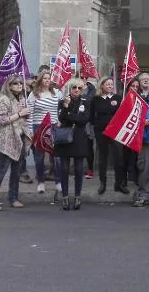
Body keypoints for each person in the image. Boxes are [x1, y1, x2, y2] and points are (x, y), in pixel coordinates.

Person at [0, 76, 32, 211]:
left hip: (20, 137)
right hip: (7, 138)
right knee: (1, 170)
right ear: (9, 86)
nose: (19, 85)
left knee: (16, 171)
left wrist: (25, 113)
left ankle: (14, 198)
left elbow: (22, 117)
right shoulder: (4, 99)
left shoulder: (22, 98)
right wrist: (19, 113)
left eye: (20, 83)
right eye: (15, 83)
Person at [56, 78, 91, 211]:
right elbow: (61, 118)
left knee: (78, 168)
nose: (77, 90)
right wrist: (66, 108)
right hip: (65, 137)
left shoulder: (86, 102)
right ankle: (65, 197)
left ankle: (77, 197)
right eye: (74, 87)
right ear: (70, 89)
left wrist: (69, 116)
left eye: (79, 88)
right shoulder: (62, 101)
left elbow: (84, 120)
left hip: (79, 137)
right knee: (64, 168)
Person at [26, 71, 63, 195]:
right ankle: (41, 181)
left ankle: (58, 182)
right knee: (39, 157)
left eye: (49, 78)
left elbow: (63, 107)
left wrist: (59, 119)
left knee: (57, 156)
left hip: (53, 127)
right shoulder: (34, 94)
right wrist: (30, 131)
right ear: (40, 80)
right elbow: (29, 113)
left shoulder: (57, 93)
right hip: (39, 127)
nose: (47, 80)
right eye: (45, 78)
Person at [90, 77, 128, 195]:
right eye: (108, 84)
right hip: (101, 132)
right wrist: (97, 125)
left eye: (112, 84)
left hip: (116, 132)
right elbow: (91, 116)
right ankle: (103, 184)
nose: (110, 86)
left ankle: (119, 183)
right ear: (102, 86)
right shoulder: (95, 99)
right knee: (103, 158)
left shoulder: (118, 98)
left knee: (119, 158)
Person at [124, 77, 141, 184]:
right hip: (125, 132)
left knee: (135, 156)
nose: (134, 88)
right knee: (124, 157)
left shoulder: (140, 99)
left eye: (136, 87)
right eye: (132, 86)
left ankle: (134, 177)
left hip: (136, 132)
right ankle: (123, 179)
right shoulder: (122, 98)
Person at [82, 79, 96, 180]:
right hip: (76, 122)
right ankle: (78, 168)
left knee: (88, 146)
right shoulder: (72, 86)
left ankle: (90, 168)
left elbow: (89, 99)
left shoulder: (92, 89)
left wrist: (80, 97)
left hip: (88, 123)